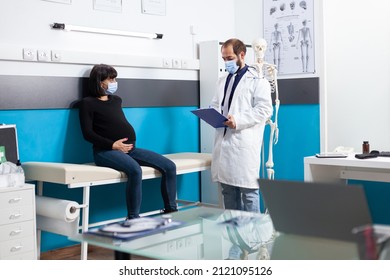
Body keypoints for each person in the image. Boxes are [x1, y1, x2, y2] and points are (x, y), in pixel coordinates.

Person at [78, 64, 177, 219]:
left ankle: (171, 210)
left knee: (169, 166)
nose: (114, 81)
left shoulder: (116, 100)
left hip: (131, 149)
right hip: (105, 151)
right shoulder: (87, 103)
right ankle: (133, 218)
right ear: (99, 81)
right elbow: (87, 134)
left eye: (115, 78)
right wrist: (112, 145)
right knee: (135, 171)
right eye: (110, 79)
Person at [210, 39, 273, 213]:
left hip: (243, 144)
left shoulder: (257, 80)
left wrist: (238, 120)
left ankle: (254, 239)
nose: (226, 62)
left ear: (242, 55)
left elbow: (265, 110)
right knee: (228, 192)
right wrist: (212, 114)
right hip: (225, 142)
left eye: (229, 58)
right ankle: (233, 238)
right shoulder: (223, 80)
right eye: (223, 58)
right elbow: (216, 104)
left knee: (249, 193)